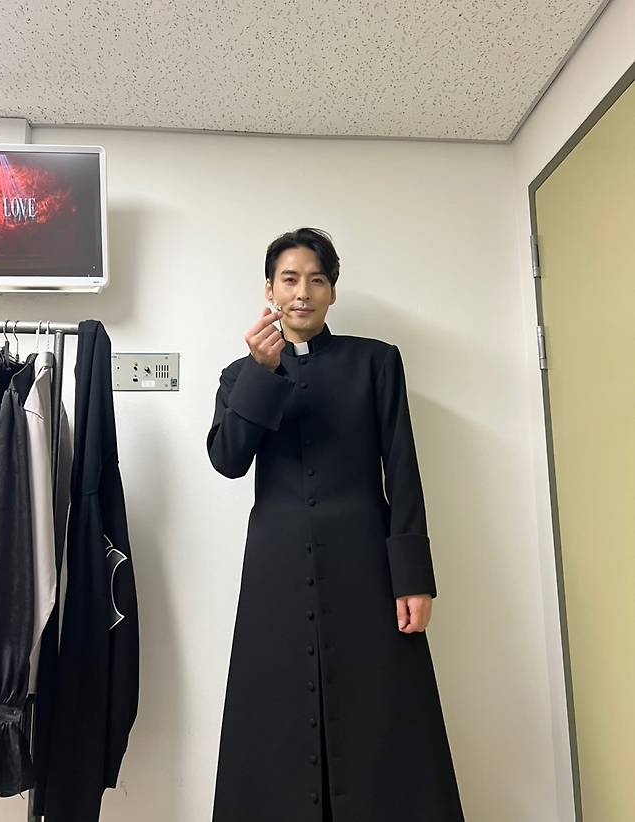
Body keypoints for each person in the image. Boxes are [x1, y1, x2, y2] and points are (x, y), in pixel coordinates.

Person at [207, 227, 464, 821]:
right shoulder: (240, 374)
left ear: (332, 291)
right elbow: (227, 459)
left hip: (365, 560)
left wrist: (414, 579)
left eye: (316, 280)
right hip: (275, 565)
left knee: (382, 710)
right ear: (269, 289)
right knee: (275, 711)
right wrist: (262, 371)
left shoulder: (375, 361)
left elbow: (402, 470)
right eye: (290, 279)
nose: (303, 292)